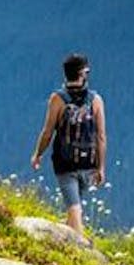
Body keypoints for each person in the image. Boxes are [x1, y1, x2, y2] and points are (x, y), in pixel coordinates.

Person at [30, 53, 106, 245]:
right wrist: (100, 167)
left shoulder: (58, 99)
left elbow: (48, 132)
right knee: (76, 207)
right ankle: (74, 246)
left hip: (64, 163)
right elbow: (101, 137)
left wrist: (38, 154)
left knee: (74, 208)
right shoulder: (95, 100)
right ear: (83, 73)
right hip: (88, 162)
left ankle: (80, 250)